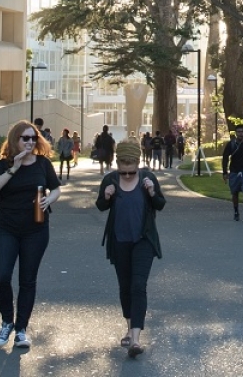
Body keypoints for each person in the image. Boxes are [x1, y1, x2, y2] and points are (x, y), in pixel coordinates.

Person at [0, 120, 63, 349]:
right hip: (6, 228)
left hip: (35, 229)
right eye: (25, 138)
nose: (30, 142)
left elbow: (56, 187)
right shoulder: (5, 164)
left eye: (33, 138)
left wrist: (51, 198)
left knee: (27, 281)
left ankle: (21, 329)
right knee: (0, 276)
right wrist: (14, 167)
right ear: (15, 140)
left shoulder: (42, 164)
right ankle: (7, 321)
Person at [94, 140, 165, 358]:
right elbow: (100, 206)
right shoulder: (110, 179)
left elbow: (160, 204)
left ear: (137, 162)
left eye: (130, 172)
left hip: (143, 240)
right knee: (125, 287)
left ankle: (135, 339)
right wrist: (106, 196)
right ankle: (128, 326)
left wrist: (152, 193)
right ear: (118, 164)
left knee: (138, 285)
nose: (126, 176)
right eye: (123, 172)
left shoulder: (147, 178)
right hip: (120, 241)